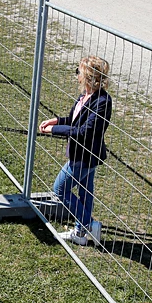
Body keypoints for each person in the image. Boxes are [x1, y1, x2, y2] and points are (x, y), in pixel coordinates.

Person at [39, 56, 113, 246]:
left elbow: (83, 132)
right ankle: (80, 233)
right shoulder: (84, 96)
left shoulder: (102, 101)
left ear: (88, 76)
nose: (77, 75)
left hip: (86, 157)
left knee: (60, 189)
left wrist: (53, 131)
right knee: (85, 192)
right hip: (78, 154)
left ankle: (88, 224)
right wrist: (55, 121)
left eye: (78, 71)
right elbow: (73, 120)